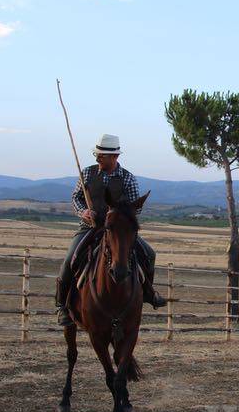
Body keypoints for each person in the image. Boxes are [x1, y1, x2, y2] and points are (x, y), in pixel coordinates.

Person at [54, 134, 166, 326]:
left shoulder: (128, 178)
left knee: (149, 254)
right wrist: (83, 211)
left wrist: (120, 215)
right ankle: (62, 306)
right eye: (97, 154)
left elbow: (135, 208)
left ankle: (148, 292)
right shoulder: (87, 173)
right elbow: (76, 197)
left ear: (114, 157)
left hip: (118, 230)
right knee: (69, 260)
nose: (97, 158)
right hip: (90, 227)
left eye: (102, 155)